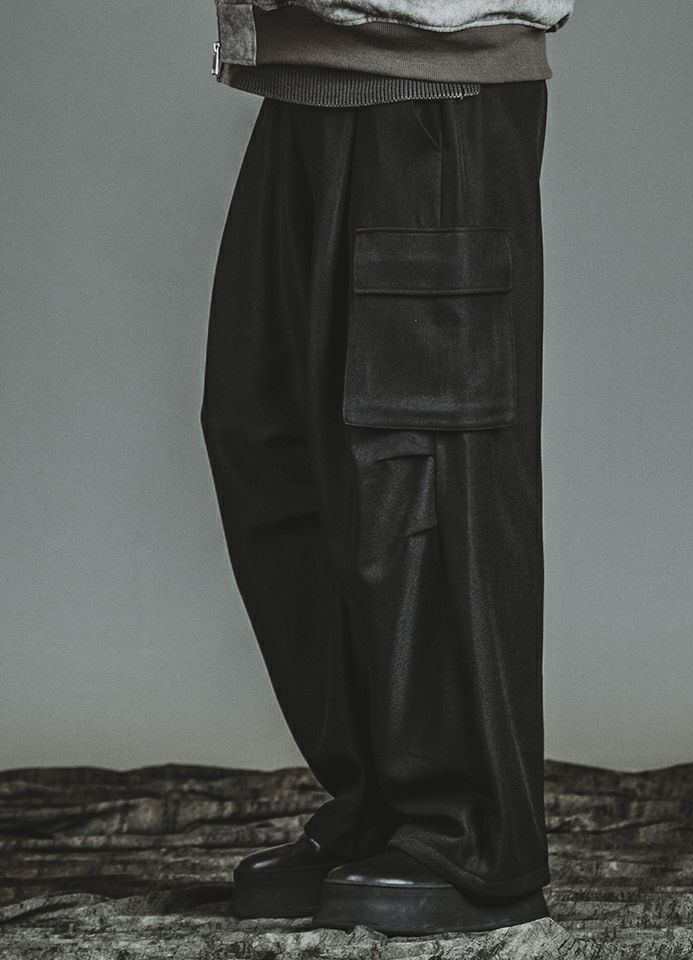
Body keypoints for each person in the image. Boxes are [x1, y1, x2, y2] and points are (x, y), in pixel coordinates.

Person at [200, 0, 574, 937]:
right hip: (307, 72)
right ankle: (381, 802)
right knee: (271, 435)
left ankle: (472, 837)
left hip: (432, 77)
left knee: (424, 459)